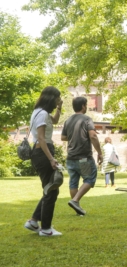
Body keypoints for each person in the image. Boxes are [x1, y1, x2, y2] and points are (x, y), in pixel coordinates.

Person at [24, 86, 63, 236]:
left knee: (50, 188)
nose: (59, 100)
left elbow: (55, 120)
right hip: (43, 153)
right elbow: (41, 138)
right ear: (51, 98)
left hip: (41, 153)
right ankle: (46, 229)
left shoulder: (41, 113)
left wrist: (59, 108)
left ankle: (34, 221)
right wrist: (51, 158)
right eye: (57, 98)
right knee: (51, 190)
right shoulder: (41, 114)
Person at [61, 97, 103, 215]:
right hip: (83, 158)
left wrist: (76, 135)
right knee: (89, 179)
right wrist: (99, 153)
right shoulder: (87, 119)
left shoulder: (68, 120)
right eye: (86, 105)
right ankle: (75, 201)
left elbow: (63, 137)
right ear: (83, 106)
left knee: (73, 182)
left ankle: (77, 209)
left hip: (70, 158)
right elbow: (93, 136)